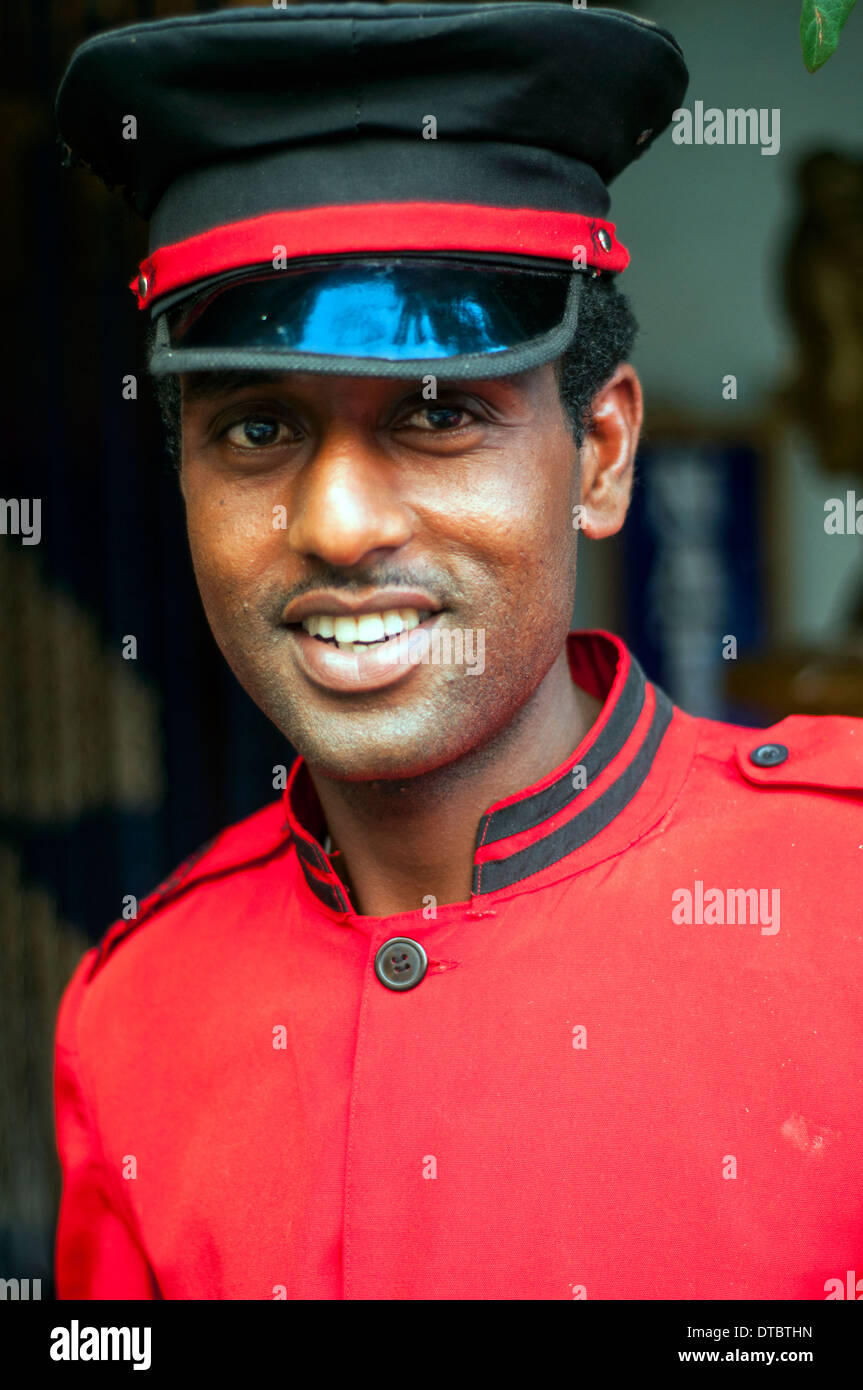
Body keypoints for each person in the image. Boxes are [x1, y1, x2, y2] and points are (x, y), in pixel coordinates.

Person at [52, 2, 863, 1301]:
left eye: (437, 413)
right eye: (257, 430)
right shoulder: (130, 1014)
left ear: (598, 453)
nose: (337, 523)